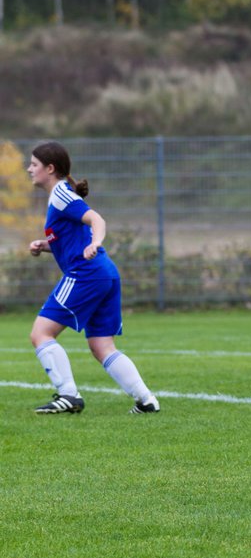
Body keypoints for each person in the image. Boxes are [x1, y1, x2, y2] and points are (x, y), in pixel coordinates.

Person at [25, 141, 160, 414]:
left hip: (86, 274)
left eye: (34, 164)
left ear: (50, 169)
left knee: (41, 333)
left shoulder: (61, 194)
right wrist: (46, 245)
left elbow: (97, 220)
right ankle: (146, 401)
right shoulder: (59, 197)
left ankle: (68, 395)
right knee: (101, 346)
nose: (29, 169)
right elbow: (72, 239)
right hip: (104, 273)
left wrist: (95, 242)